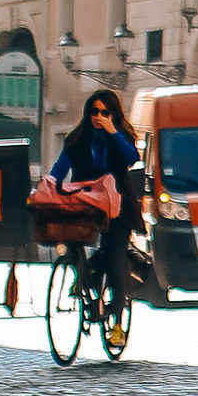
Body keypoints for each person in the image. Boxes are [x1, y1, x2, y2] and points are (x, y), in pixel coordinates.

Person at [47, 87, 144, 322]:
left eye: (104, 112)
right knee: (70, 242)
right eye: (94, 111)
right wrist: (46, 187)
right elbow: (60, 169)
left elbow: (132, 158)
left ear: (113, 115)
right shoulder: (77, 139)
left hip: (118, 208)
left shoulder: (121, 137)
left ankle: (118, 319)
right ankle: (83, 277)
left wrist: (113, 132)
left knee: (114, 260)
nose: (98, 116)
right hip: (85, 204)